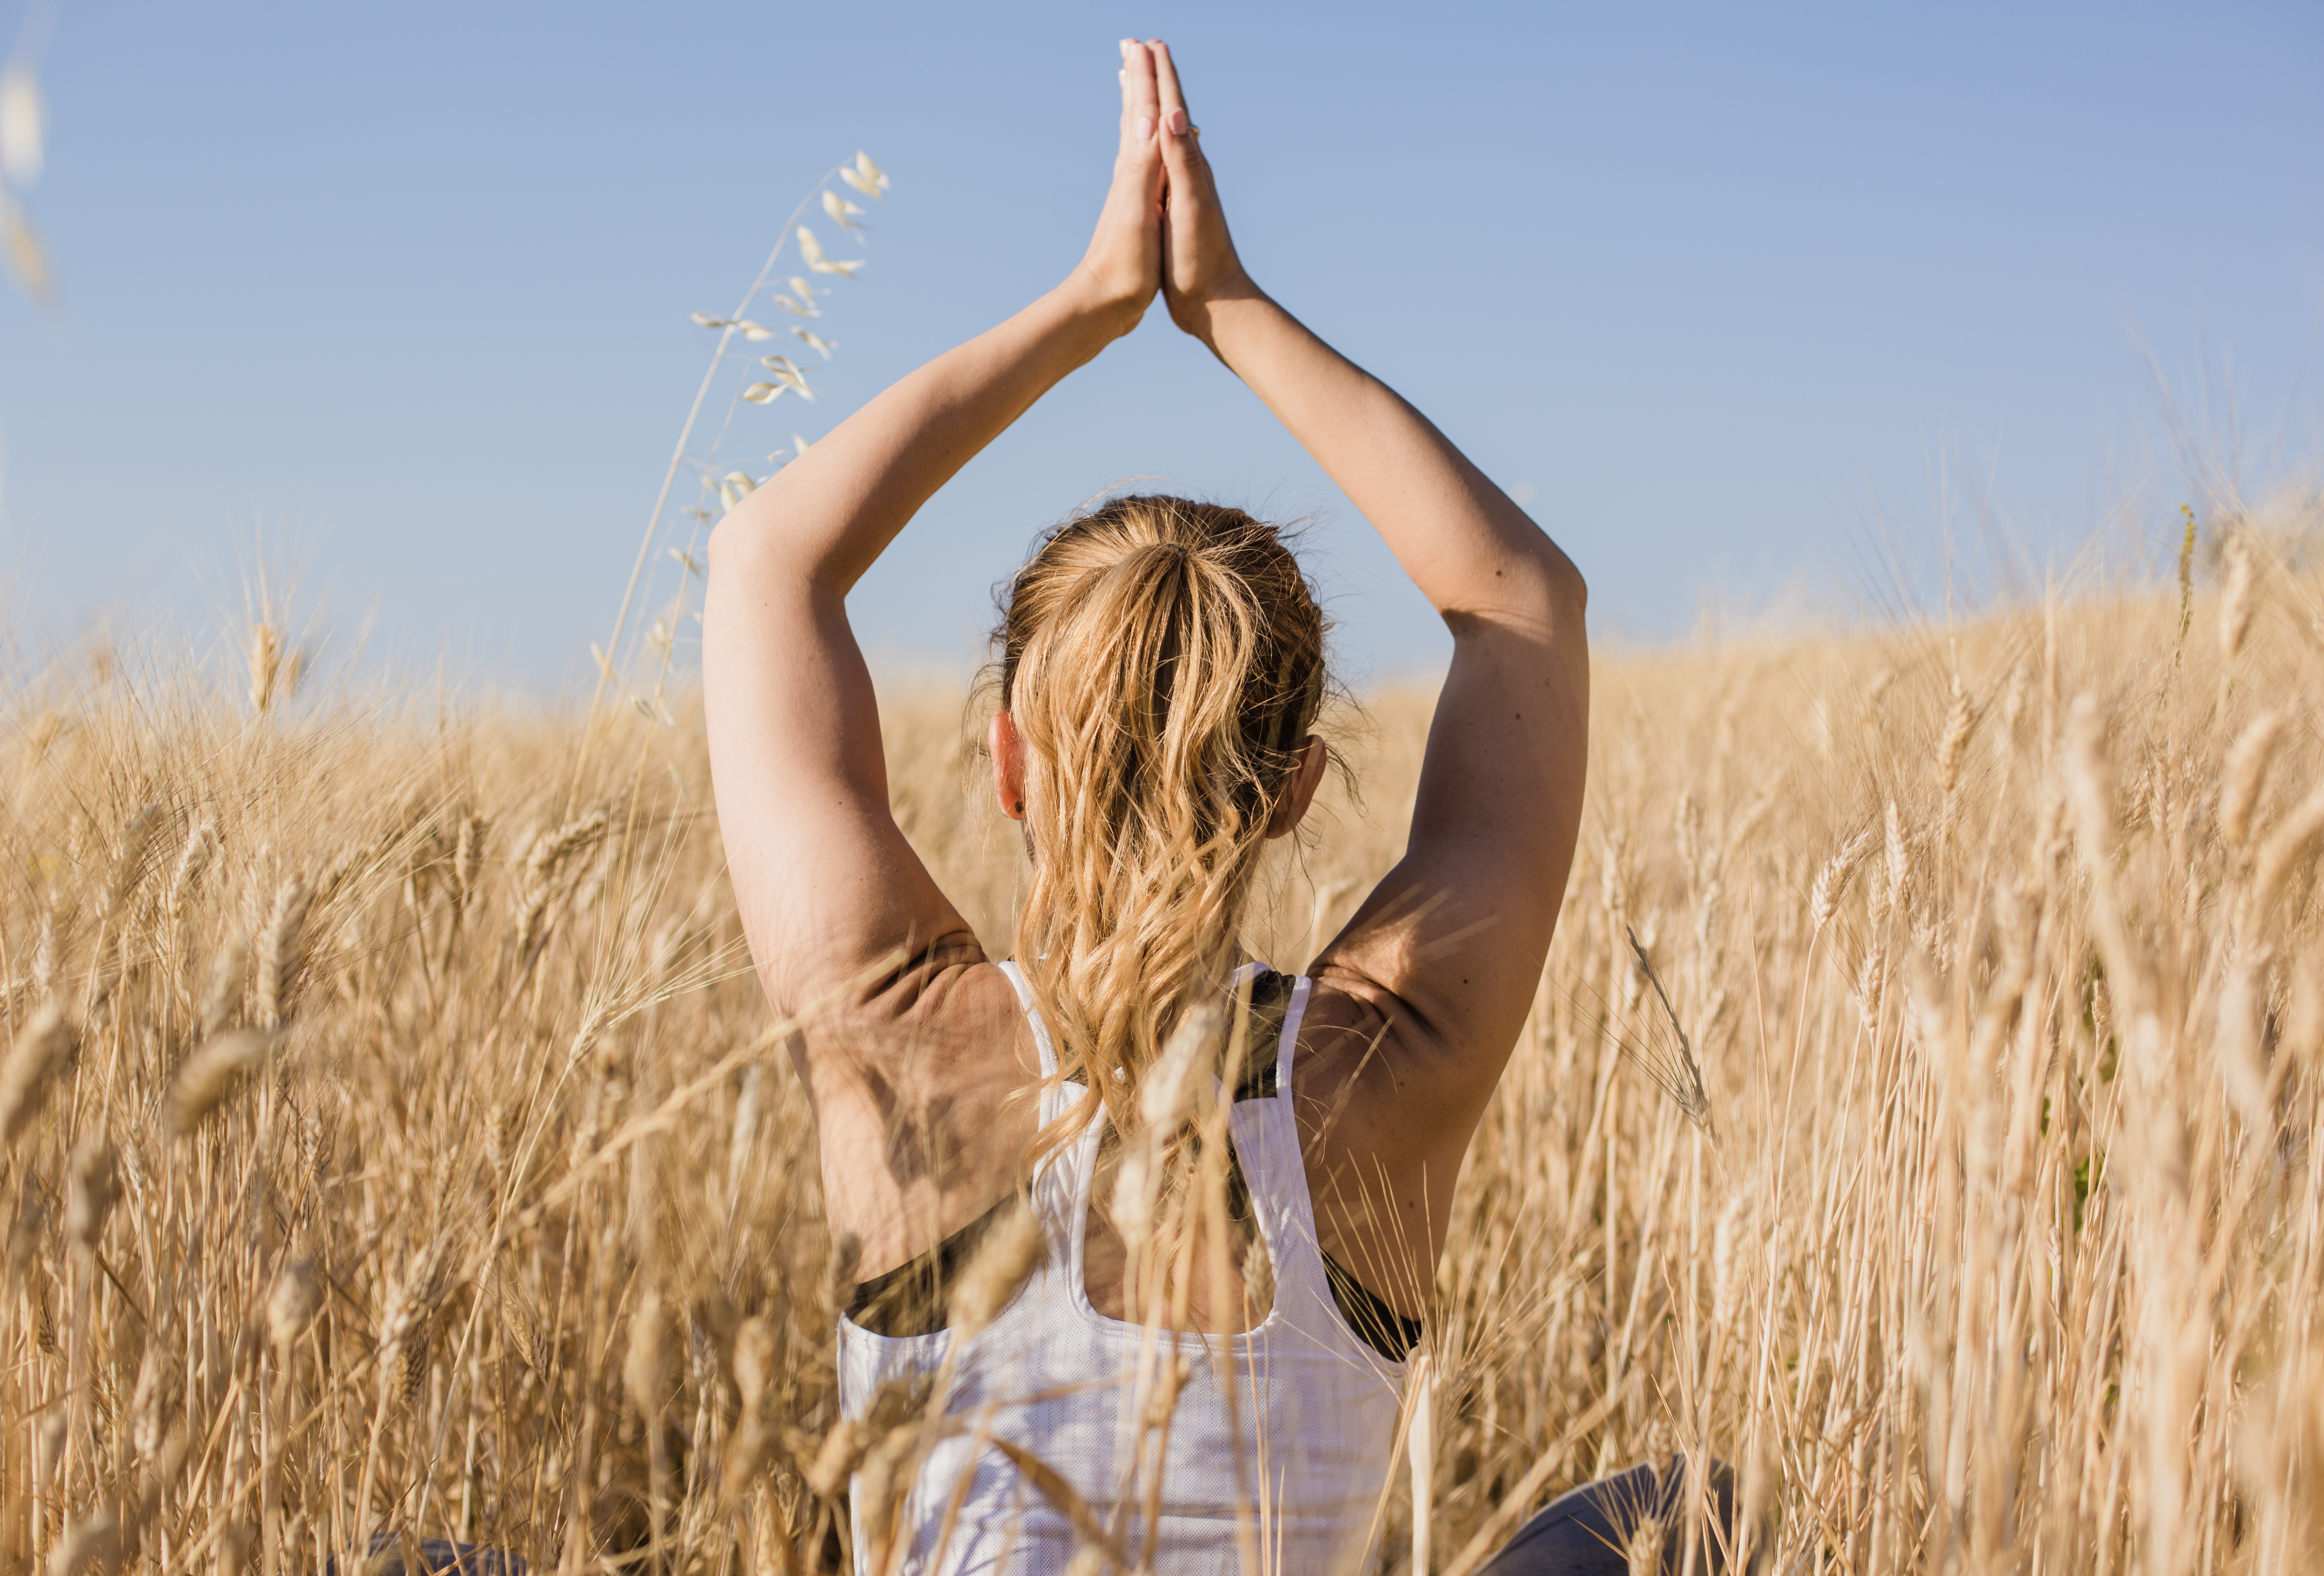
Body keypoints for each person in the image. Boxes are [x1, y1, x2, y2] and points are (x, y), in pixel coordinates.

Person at [706, 36, 1714, 1576]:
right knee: (1682, 1508)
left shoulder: (895, 1032)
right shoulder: (1392, 1062)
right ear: (1299, 789)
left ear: (1009, 763)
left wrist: (1089, 307)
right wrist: (1228, 307)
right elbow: (1524, 599)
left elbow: (769, 562)